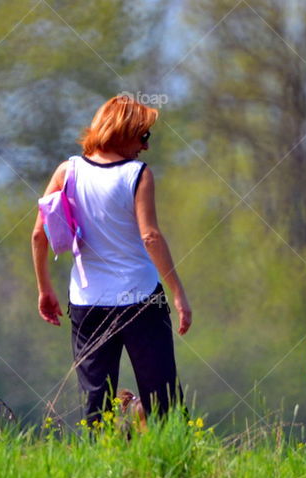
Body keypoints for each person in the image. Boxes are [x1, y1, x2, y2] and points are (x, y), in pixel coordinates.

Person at [31, 95, 192, 424]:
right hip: (141, 298)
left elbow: (38, 235)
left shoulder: (67, 171)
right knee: (162, 400)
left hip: (87, 301)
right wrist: (178, 293)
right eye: (143, 136)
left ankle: (100, 467)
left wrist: (44, 288)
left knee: (94, 404)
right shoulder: (137, 174)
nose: (145, 146)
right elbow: (150, 236)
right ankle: (171, 467)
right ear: (123, 132)